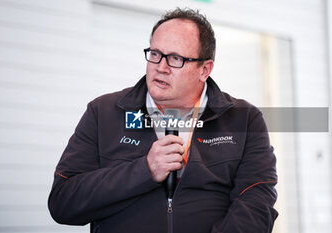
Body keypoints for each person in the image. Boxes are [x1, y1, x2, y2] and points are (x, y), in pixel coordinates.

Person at [48, 8, 278, 233]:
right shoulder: (103, 112)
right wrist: (144, 170)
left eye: (176, 58)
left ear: (204, 70)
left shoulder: (244, 119)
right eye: (156, 54)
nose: (161, 67)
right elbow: (63, 203)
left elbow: (256, 206)